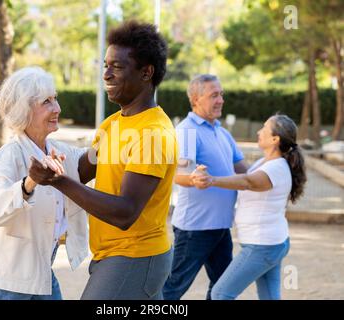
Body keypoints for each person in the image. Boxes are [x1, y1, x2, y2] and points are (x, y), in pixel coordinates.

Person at [29, 20, 178, 300]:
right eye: (105, 65)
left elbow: (125, 212)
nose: (106, 75)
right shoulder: (112, 125)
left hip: (135, 255)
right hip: (113, 254)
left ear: (147, 72)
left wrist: (58, 180)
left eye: (117, 67)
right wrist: (40, 142)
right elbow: (82, 170)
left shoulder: (153, 134)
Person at [0, 66, 89, 300]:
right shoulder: (9, 156)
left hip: (40, 276)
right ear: (23, 111)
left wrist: (119, 135)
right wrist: (29, 182)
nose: (57, 108)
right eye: (46, 102)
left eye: (55, 99)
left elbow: (92, 157)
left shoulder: (59, 151)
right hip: (5, 284)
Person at [202, 114, 307, 300]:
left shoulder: (276, 168)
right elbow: (242, 174)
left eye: (264, 129)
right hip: (272, 242)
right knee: (269, 296)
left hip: (262, 245)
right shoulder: (265, 162)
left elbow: (247, 181)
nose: (259, 131)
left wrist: (212, 180)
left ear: (275, 139)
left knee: (220, 293)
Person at [162, 74, 247, 300]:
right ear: (196, 99)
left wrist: (275, 167)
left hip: (221, 227)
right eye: (214, 95)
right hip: (195, 229)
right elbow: (177, 174)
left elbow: (243, 170)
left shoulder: (222, 132)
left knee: (223, 289)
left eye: (221, 95)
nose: (220, 100)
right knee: (172, 288)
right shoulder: (187, 131)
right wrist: (193, 179)